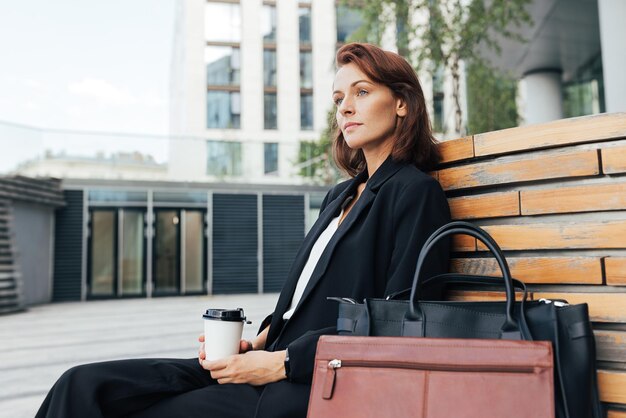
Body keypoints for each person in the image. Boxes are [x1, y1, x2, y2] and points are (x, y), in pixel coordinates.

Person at [36, 42, 451, 418]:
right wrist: (255, 344)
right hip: (266, 361)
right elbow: (304, 301)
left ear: (401, 103)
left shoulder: (414, 193)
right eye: (339, 98)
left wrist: (283, 362)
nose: (344, 108)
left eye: (362, 92)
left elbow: (399, 321)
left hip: (311, 381)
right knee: (81, 385)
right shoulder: (340, 196)